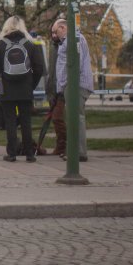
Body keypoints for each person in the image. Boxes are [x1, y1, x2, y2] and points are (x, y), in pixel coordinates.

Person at [0, 16, 45, 162]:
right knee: (26, 121)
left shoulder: (1, 44)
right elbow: (39, 68)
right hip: (25, 89)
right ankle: (29, 154)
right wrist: (31, 85)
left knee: (10, 122)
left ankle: (12, 153)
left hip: (7, 90)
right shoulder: (30, 44)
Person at [55, 18, 93, 162]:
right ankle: (74, 150)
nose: (55, 35)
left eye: (56, 31)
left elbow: (74, 63)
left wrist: (64, 83)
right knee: (73, 117)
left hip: (75, 85)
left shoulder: (74, 39)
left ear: (63, 28)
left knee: (76, 118)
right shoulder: (71, 40)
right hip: (72, 84)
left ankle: (79, 152)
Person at [45, 21, 68, 158]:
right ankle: (61, 145)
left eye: (55, 32)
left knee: (57, 118)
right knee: (56, 119)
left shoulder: (64, 46)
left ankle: (63, 146)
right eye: (52, 33)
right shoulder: (53, 47)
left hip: (62, 88)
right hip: (53, 89)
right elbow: (52, 71)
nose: (54, 35)